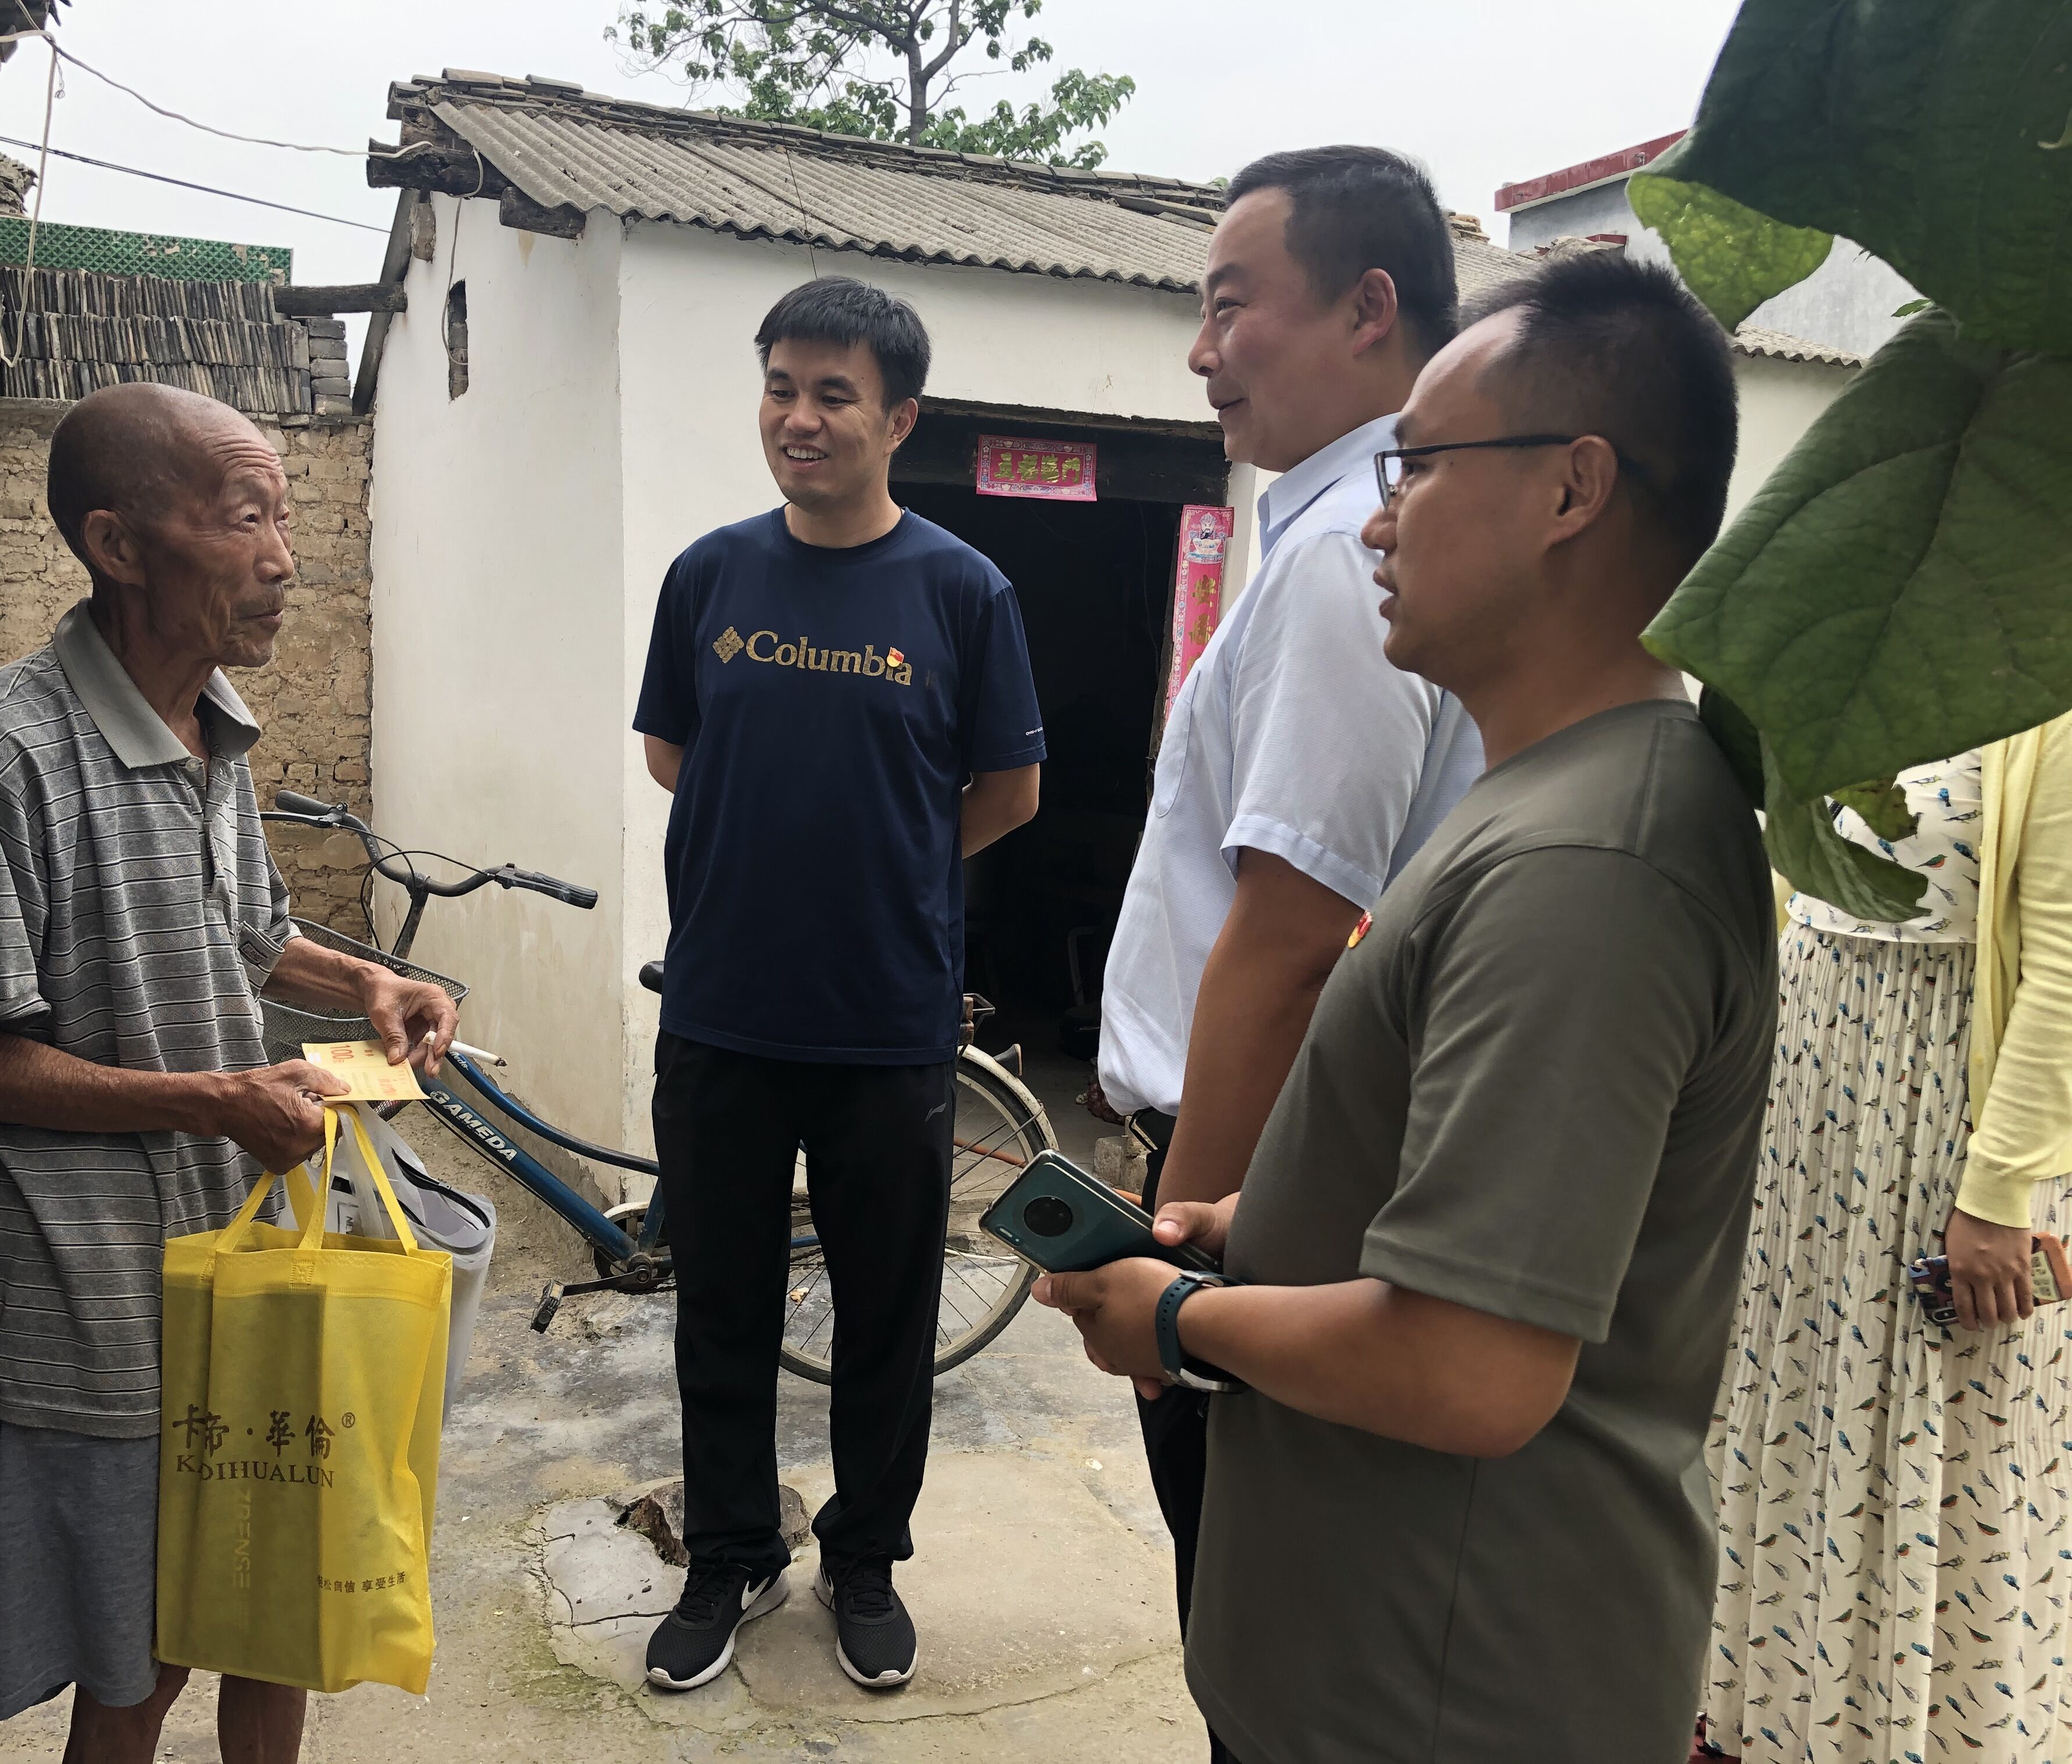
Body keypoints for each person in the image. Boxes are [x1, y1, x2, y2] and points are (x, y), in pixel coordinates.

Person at [1037, 249, 1780, 1762]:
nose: (1378, 520)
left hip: (1444, 1693)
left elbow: (1476, 1365)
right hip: (1385, 1656)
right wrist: (1254, 1226)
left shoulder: (1591, 862)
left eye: (1419, 468)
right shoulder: (1555, 794)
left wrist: (1177, 1318)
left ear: (1572, 488)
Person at [0, 382, 459, 1764]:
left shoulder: (214, 724)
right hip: (93, 1298)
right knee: (140, 1668)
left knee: (280, 1614)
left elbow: (245, 929)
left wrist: (365, 982)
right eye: (244, 519)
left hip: (244, 1259)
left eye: (285, 519)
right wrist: (214, 1099)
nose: (283, 559)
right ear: (119, 545)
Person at [1087, 146, 1483, 1674]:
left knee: (1265, 1648)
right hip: (1271, 1170)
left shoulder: (1342, 556)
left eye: (1230, 305)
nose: (1201, 353)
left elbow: (1294, 933)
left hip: (1255, 1183)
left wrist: (1175, 1268)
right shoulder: (1341, 532)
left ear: (1369, 309)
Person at [631, 276, 1043, 1694]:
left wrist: (886, 861)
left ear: (899, 420)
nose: (799, 419)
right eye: (780, 388)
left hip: (886, 1021)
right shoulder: (709, 576)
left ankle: (864, 1557)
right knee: (722, 1308)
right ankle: (733, 1551)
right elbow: (673, 753)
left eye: (833, 395)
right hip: (724, 1013)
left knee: (885, 1315)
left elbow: (1008, 792)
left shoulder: (962, 591)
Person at [1700, 719, 2072, 1762]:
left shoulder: (2052, 699)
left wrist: (1997, 1195)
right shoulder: (1855, 678)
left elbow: (2064, 967)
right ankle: (1775, 1717)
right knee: (1796, 1411)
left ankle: (1926, 1733)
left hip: (1943, 1129)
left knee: (1941, 1441)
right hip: (1811, 1109)